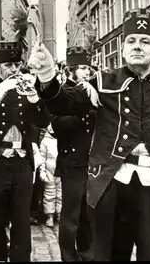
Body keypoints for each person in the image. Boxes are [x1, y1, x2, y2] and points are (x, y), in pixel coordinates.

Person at [29, 0, 150, 260]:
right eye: (131, 41)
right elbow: (64, 102)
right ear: (123, 47)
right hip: (111, 189)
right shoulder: (102, 82)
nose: (137, 47)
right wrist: (46, 76)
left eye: (144, 42)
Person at [0, 7, 50, 261]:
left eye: (16, 64)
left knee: (21, 221)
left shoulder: (29, 88)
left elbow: (45, 121)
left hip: (22, 164)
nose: (12, 70)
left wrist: (35, 97)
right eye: (6, 66)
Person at [52, 46, 94, 262]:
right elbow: (58, 124)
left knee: (89, 214)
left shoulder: (93, 90)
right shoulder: (62, 93)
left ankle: (87, 255)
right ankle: (69, 257)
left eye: (88, 68)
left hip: (93, 161)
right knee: (71, 217)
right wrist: (84, 108)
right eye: (82, 68)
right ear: (70, 71)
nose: (87, 72)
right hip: (72, 162)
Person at [39, 124, 61, 228]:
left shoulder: (62, 138)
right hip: (49, 170)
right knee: (49, 193)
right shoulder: (45, 141)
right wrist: (42, 171)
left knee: (61, 193)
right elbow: (42, 157)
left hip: (60, 169)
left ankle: (60, 213)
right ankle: (49, 215)